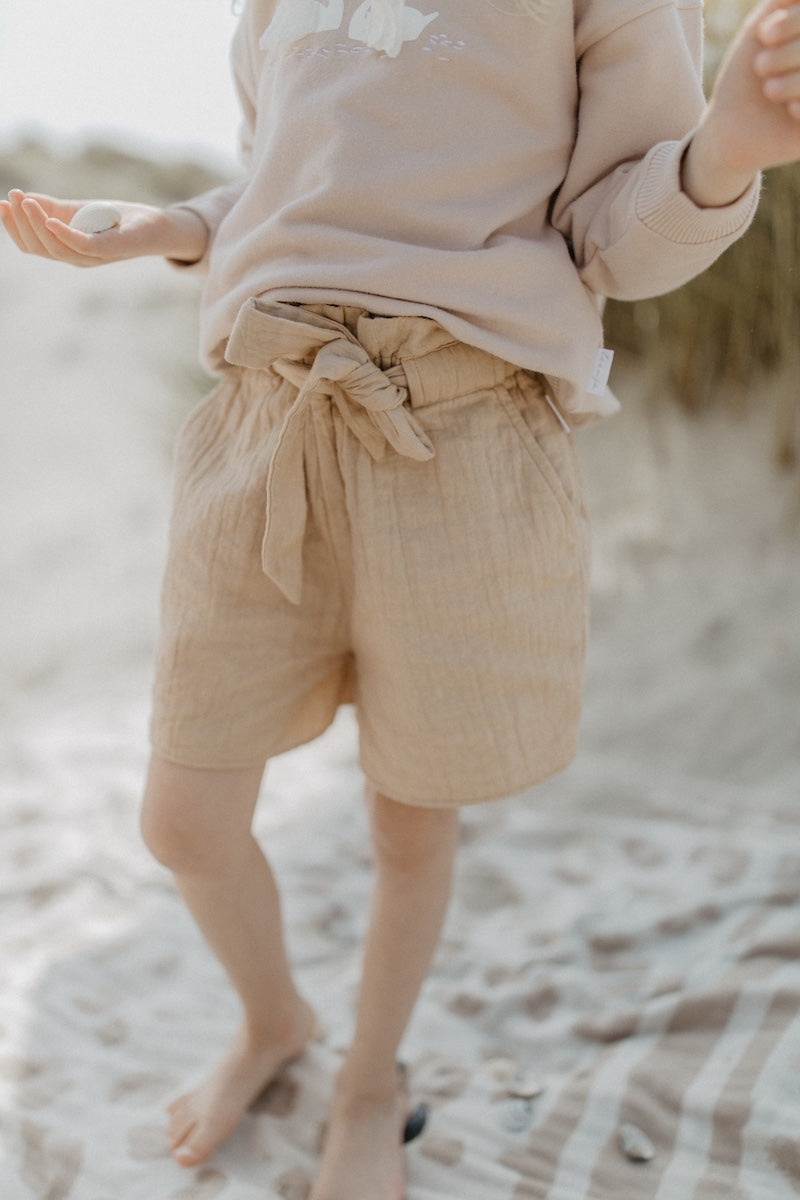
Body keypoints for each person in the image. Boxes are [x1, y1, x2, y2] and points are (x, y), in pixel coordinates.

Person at [3, 0, 800, 1196]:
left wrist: (725, 148)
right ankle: (273, 1022)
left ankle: (369, 1075)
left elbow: (610, 242)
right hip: (262, 428)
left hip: (461, 430)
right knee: (184, 819)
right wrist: (165, 230)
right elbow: (275, 193)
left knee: (408, 816)